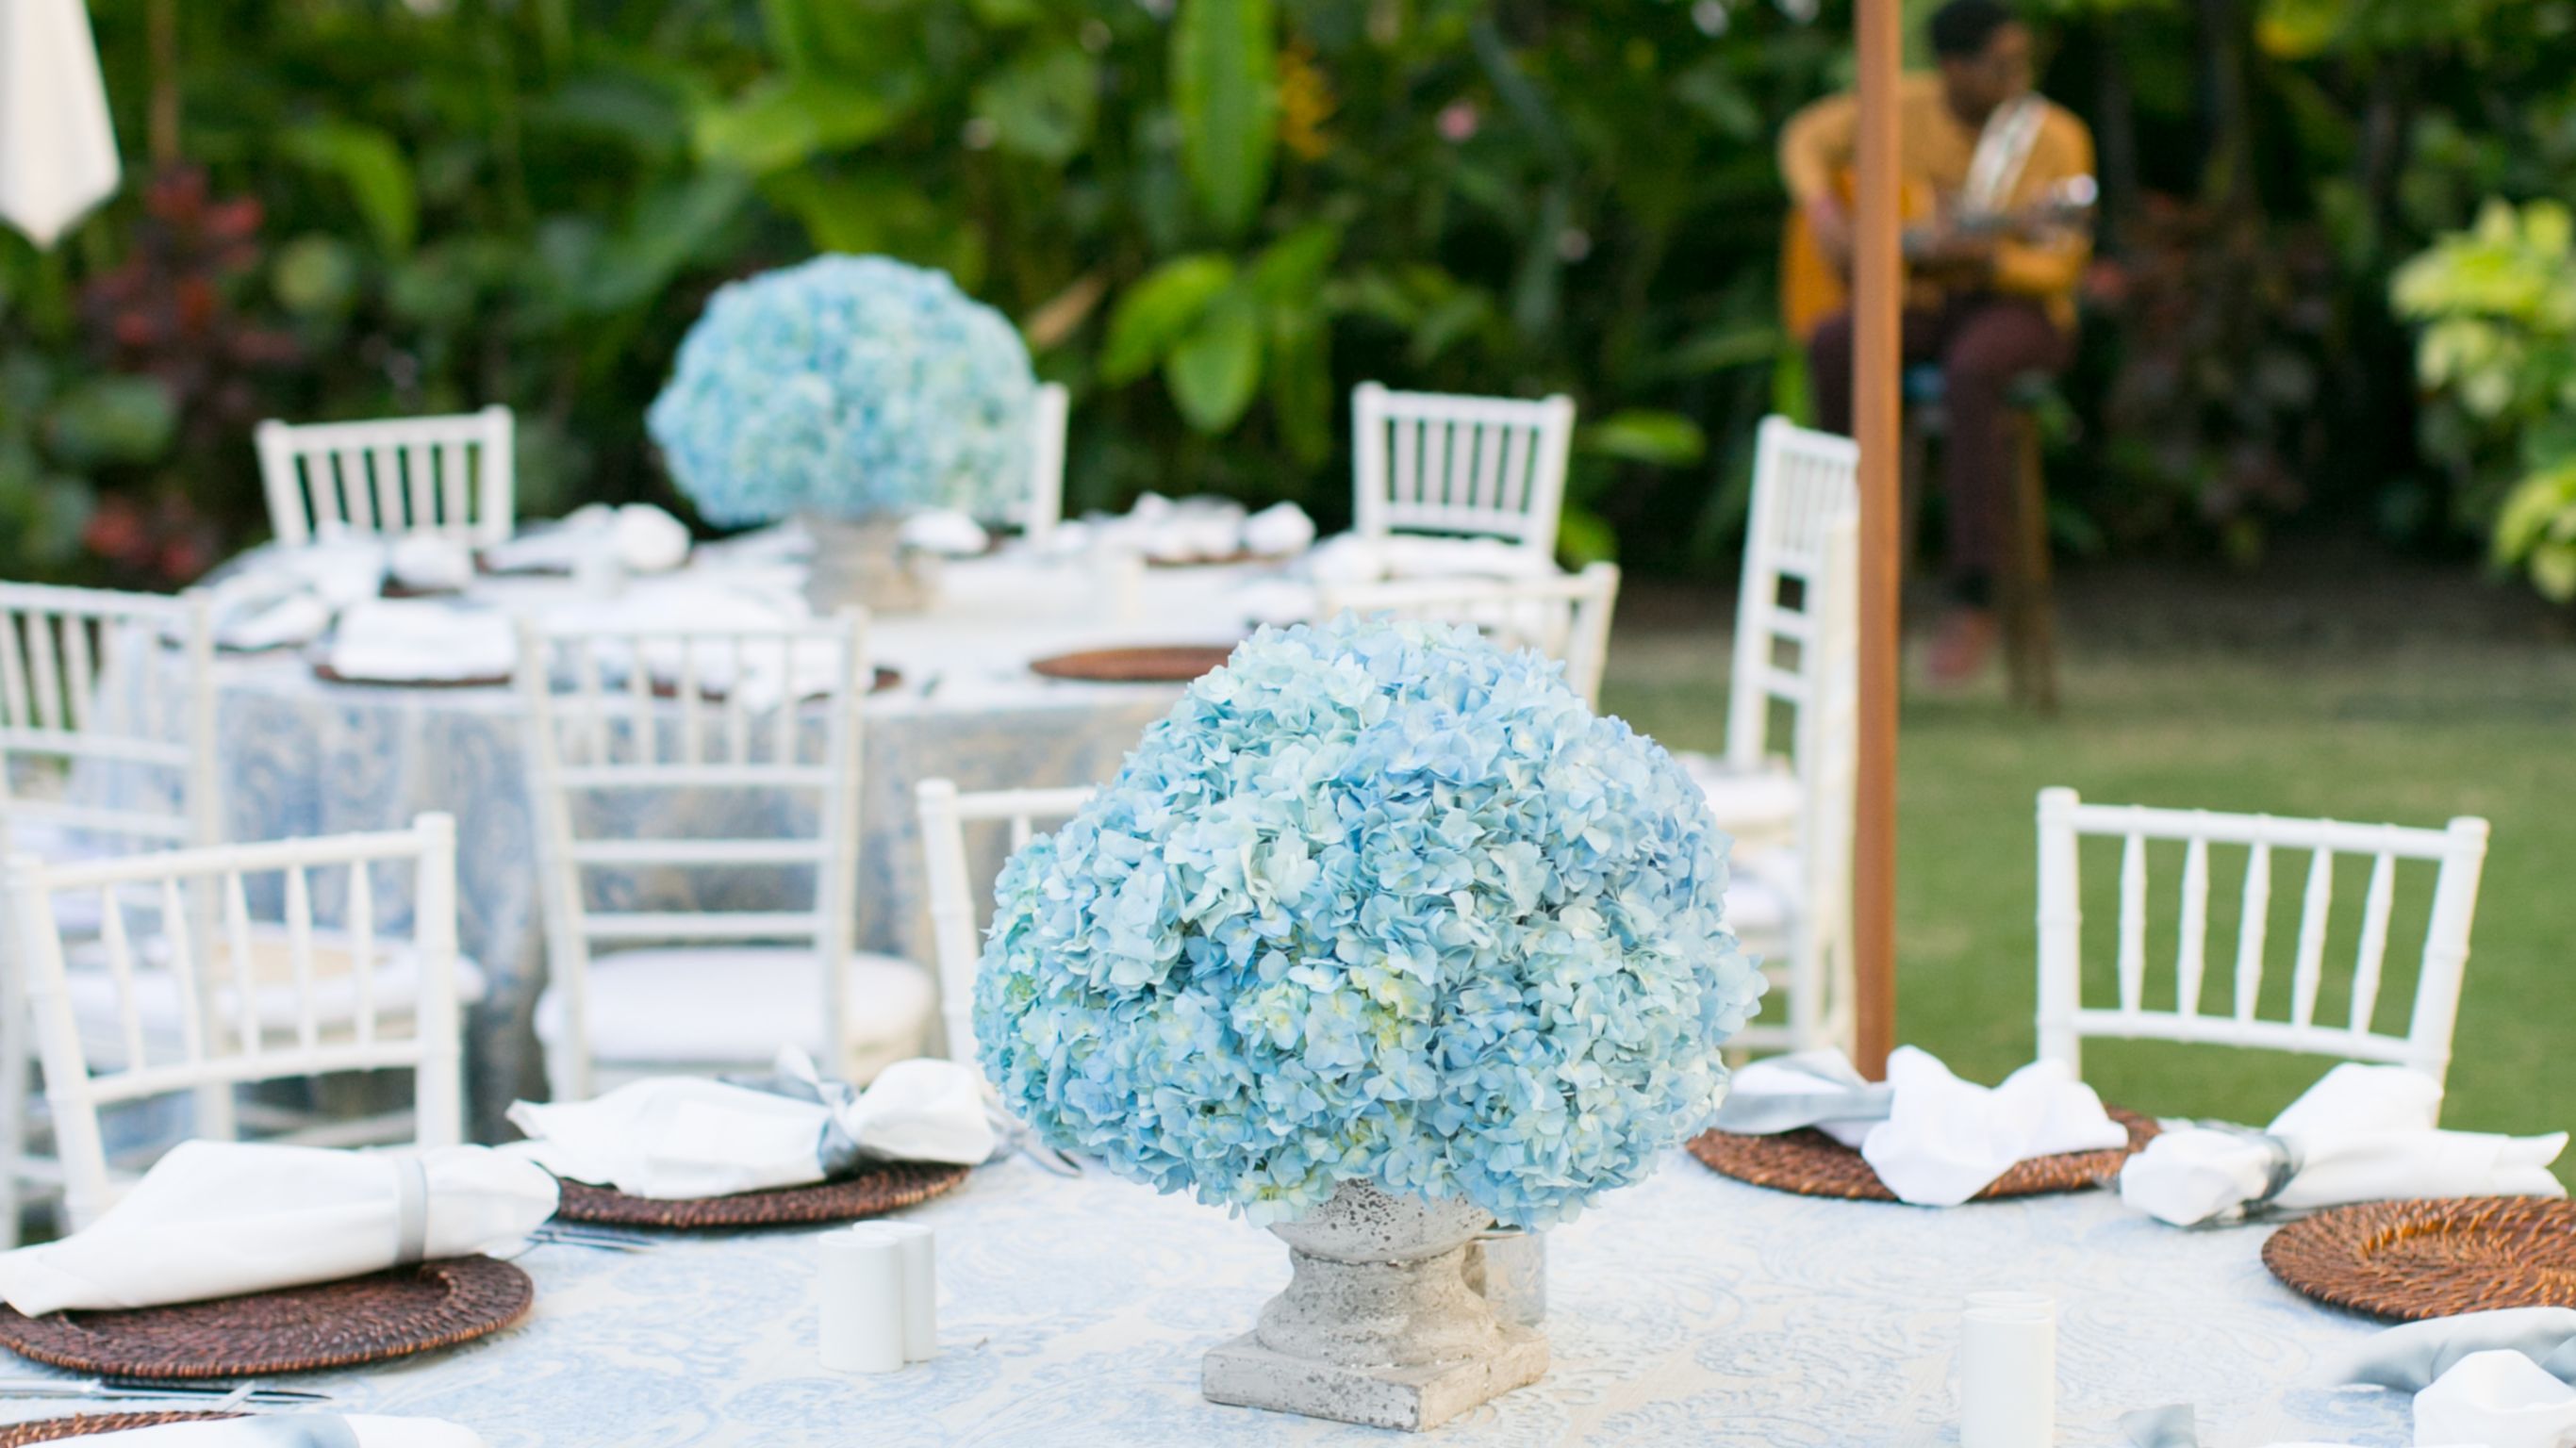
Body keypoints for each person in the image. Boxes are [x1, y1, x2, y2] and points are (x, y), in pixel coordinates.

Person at [1779, 0, 2095, 684]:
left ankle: (1973, 591)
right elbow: (1804, 139)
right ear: (1954, 67)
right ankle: (1848, 555)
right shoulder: (1903, 107)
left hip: (2023, 310)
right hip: (1931, 298)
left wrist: (1988, 259)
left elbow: (2062, 261)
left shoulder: (2053, 136)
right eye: (2000, 65)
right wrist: (1827, 214)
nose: (2018, 78)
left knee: (1972, 367)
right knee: (1839, 341)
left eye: (2023, 63)